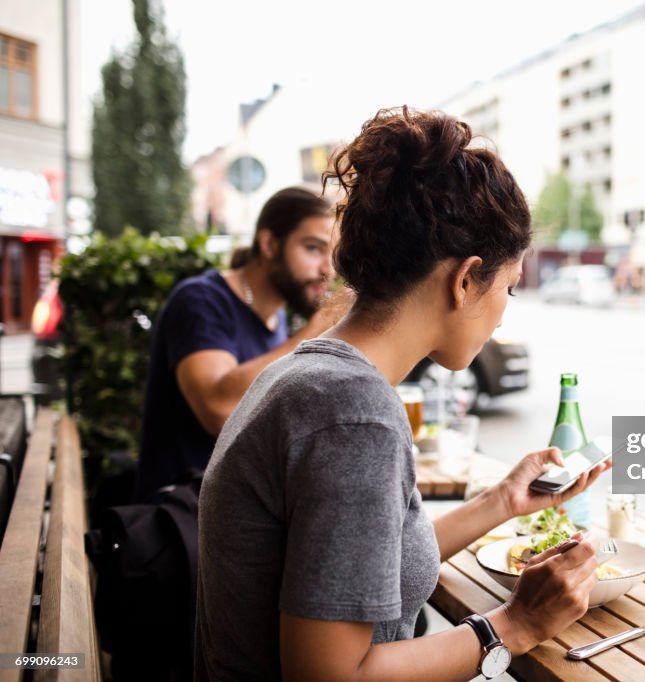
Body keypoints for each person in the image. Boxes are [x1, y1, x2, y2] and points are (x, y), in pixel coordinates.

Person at [195, 107, 611, 681]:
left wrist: (501, 502)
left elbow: (360, 562)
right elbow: (331, 677)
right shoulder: (352, 413)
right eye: (508, 288)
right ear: (465, 280)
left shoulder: (309, 375)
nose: (502, 315)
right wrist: (515, 625)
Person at [135, 187, 352, 501]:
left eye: (331, 255)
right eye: (312, 248)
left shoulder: (274, 320)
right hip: (178, 518)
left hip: (232, 508)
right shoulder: (200, 300)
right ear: (268, 244)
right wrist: (315, 331)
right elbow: (218, 410)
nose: (326, 269)